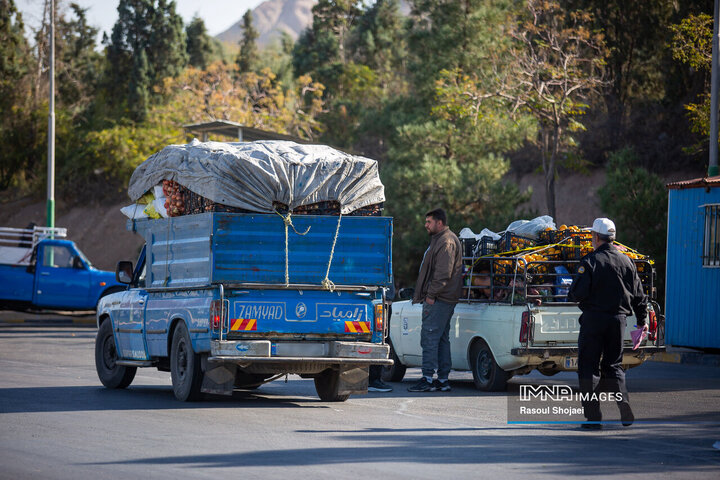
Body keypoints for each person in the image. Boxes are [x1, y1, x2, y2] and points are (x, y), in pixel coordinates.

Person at [569, 218, 648, 430]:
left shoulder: (590, 262)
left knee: (588, 367)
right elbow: (640, 296)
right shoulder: (627, 261)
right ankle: (624, 406)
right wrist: (642, 322)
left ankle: (594, 419)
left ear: (595, 237)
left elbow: (576, 294)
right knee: (614, 366)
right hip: (618, 321)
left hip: (593, 321)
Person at [409, 208, 463, 392]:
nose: (426, 225)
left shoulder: (446, 241)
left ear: (439, 223)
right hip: (443, 298)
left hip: (440, 299)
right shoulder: (441, 240)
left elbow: (443, 274)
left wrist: (431, 295)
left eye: (429, 222)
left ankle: (427, 380)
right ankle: (442, 380)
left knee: (430, 338)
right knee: (440, 339)